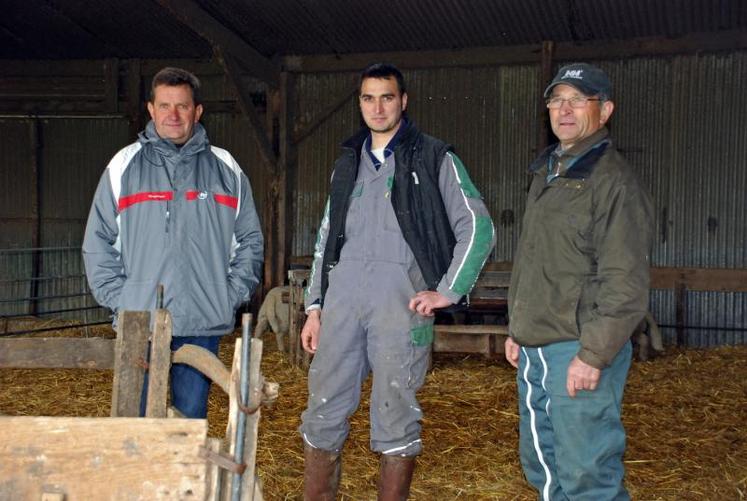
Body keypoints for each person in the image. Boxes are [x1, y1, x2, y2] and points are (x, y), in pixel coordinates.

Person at [298, 63, 495, 500]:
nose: (377, 106)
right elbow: (326, 239)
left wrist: (449, 289)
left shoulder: (433, 157)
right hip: (342, 306)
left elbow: (479, 227)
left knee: (395, 414)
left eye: (387, 97)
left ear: (403, 101)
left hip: (399, 308)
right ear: (360, 104)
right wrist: (315, 307)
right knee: (323, 411)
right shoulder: (346, 163)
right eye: (368, 98)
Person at [505, 63, 654, 500]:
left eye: (577, 100)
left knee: (587, 473)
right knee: (542, 465)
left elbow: (624, 282)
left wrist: (593, 355)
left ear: (605, 110)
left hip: (577, 349)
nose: (564, 110)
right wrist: (518, 328)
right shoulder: (549, 172)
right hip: (535, 348)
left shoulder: (612, 182)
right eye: (556, 100)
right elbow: (536, 261)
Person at [83, 67, 263, 418]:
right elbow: (98, 241)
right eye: (165, 105)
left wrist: (227, 295)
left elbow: (250, 242)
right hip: (141, 321)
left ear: (197, 111)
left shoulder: (226, 168)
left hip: (202, 321)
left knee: (190, 420)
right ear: (151, 109)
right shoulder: (124, 166)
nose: (174, 115)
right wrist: (122, 300)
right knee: (135, 417)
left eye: (182, 106)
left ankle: (182, 474)